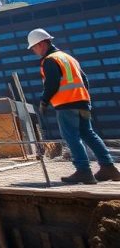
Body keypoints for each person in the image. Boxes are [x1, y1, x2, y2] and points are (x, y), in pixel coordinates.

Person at [28, 28, 120, 184]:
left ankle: (83, 170)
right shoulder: (68, 58)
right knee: (89, 134)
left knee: (72, 136)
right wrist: (84, 98)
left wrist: (44, 101)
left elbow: (52, 82)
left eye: (34, 47)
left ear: (42, 43)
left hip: (66, 104)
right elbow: (85, 80)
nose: (34, 51)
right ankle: (108, 167)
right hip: (83, 102)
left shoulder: (50, 60)